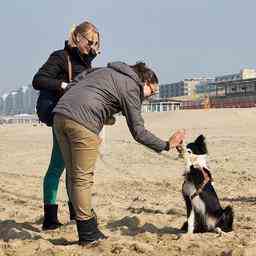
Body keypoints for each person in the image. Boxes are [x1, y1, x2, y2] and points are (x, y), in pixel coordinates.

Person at [52, 61, 186, 245]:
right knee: (82, 178)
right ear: (145, 81)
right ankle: (88, 234)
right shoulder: (132, 86)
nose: (148, 97)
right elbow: (139, 132)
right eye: (152, 92)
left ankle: (87, 223)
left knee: (73, 175)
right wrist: (166, 144)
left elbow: (75, 83)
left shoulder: (105, 70)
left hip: (60, 115)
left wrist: (103, 114)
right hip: (83, 122)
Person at [32, 21, 100, 230]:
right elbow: (38, 80)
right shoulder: (60, 57)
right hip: (60, 117)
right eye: (90, 42)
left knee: (73, 167)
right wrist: (63, 84)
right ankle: (50, 218)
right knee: (58, 166)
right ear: (78, 37)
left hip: (78, 119)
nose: (93, 48)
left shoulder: (87, 62)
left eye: (96, 45)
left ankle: (74, 213)